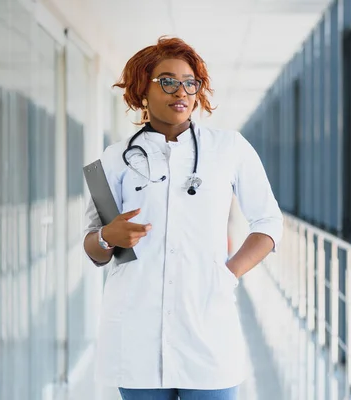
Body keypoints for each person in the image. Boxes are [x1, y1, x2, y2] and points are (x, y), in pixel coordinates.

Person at [83, 36, 283, 400]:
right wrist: (107, 237)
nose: (181, 91)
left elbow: (269, 223)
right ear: (143, 90)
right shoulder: (114, 160)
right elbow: (93, 246)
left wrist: (229, 273)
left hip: (208, 324)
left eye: (190, 82)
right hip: (136, 333)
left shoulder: (229, 148)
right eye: (168, 81)